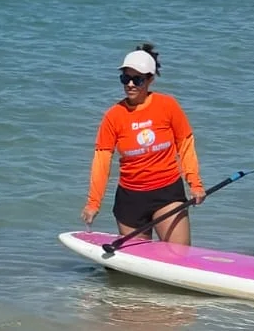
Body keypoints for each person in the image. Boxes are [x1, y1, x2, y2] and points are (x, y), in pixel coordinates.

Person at [82, 43, 206, 245]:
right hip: (130, 200)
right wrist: (93, 203)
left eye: (137, 79)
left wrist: (195, 183)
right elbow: (101, 161)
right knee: (138, 262)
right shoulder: (113, 116)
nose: (130, 84)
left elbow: (185, 144)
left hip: (167, 193)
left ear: (150, 80)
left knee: (179, 256)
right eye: (125, 78)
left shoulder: (167, 106)